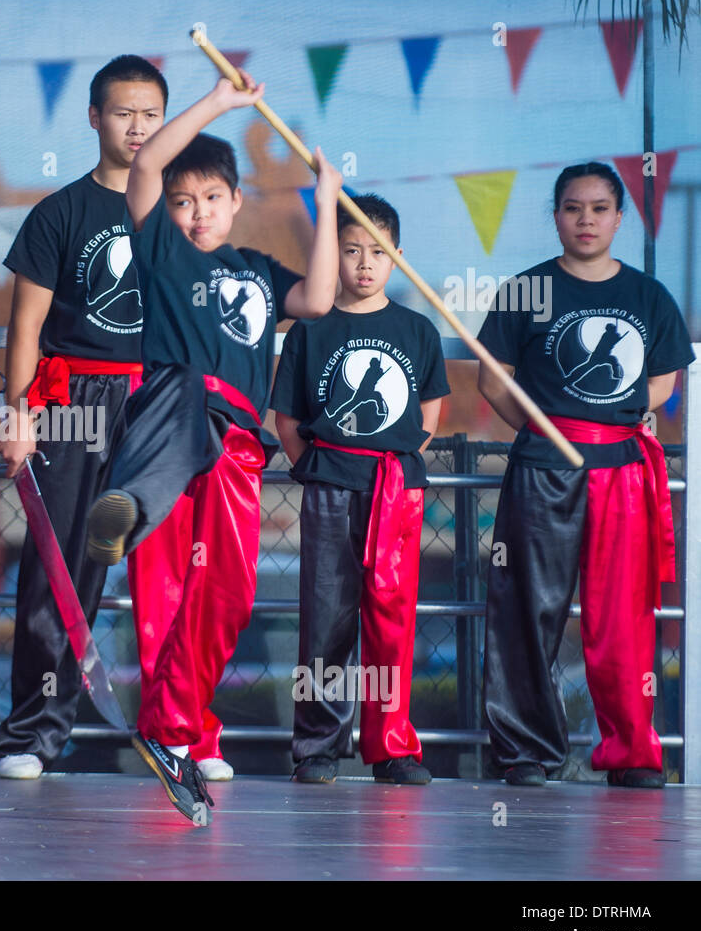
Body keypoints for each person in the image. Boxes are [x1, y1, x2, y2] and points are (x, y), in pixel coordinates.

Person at [86, 68, 341, 820]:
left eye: (211, 200)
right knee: (173, 438)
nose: (196, 213)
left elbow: (320, 300)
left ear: (236, 203)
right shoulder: (163, 253)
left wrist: (325, 206)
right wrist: (220, 103)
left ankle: (174, 729)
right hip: (177, 399)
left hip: (237, 440)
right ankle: (129, 503)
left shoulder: (257, 271)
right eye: (183, 201)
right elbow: (145, 167)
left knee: (225, 596)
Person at [0, 56, 232, 781]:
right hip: (75, 403)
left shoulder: (177, 213)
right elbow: (25, 324)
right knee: (59, 568)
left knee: (176, 570)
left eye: (151, 115)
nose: (137, 127)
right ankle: (32, 735)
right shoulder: (59, 213)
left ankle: (184, 736)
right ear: (94, 118)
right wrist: (19, 410)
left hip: (160, 401)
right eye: (123, 113)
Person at [477, 162, 694, 789]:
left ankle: (629, 751)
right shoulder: (526, 290)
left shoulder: (649, 297)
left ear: (620, 218)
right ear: (556, 217)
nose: (587, 219)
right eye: (574, 208)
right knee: (527, 607)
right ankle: (526, 752)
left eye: (600, 208)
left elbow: (662, 378)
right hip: (544, 466)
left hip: (622, 470)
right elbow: (493, 379)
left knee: (622, 614)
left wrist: (630, 417)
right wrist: (544, 427)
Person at [272, 194, 448, 785]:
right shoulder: (310, 329)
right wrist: (323, 467)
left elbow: (430, 410)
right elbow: (289, 421)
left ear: (397, 257)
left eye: (377, 251)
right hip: (329, 483)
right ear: (333, 255)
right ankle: (317, 745)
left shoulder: (417, 330)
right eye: (351, 251)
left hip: (394, 490)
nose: (364, 264)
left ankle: (392, 747)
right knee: (325, 616)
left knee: (391, 618)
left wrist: (393, 466)